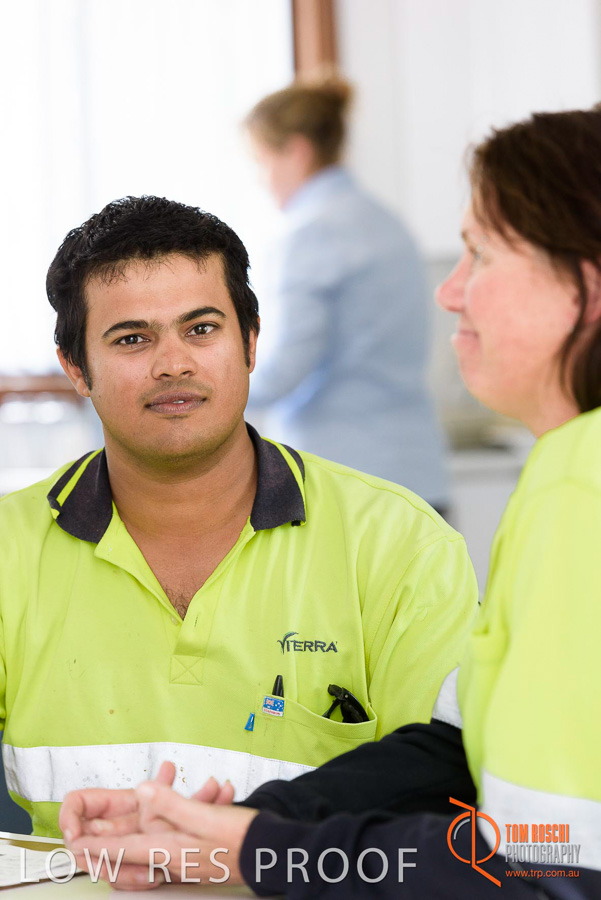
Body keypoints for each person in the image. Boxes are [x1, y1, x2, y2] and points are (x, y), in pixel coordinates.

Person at [62, 107, 601, 898]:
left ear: (586, 287)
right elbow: (452, 752)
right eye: (132, 339)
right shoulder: (561, 473)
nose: (449, 291)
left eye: (481, 254)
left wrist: (264, 851)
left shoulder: (577, 490)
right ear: (75, 366)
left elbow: (552, 874)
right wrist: (232, 826)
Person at [0, 196, 477, 838]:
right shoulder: (10, 548)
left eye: (201, 329)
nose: (173, 364)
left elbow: (443, 793)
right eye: (133, 339)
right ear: (76, 368)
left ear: (250, 343)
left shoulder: (398, 545)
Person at [244, 77, 450, 511]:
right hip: (416, 474)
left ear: (297, 151)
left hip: (347, 481)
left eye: (261, 162)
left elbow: (284, 370)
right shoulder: (386, 221)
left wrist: (200, 389)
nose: (260, 181)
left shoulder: (311, 232)